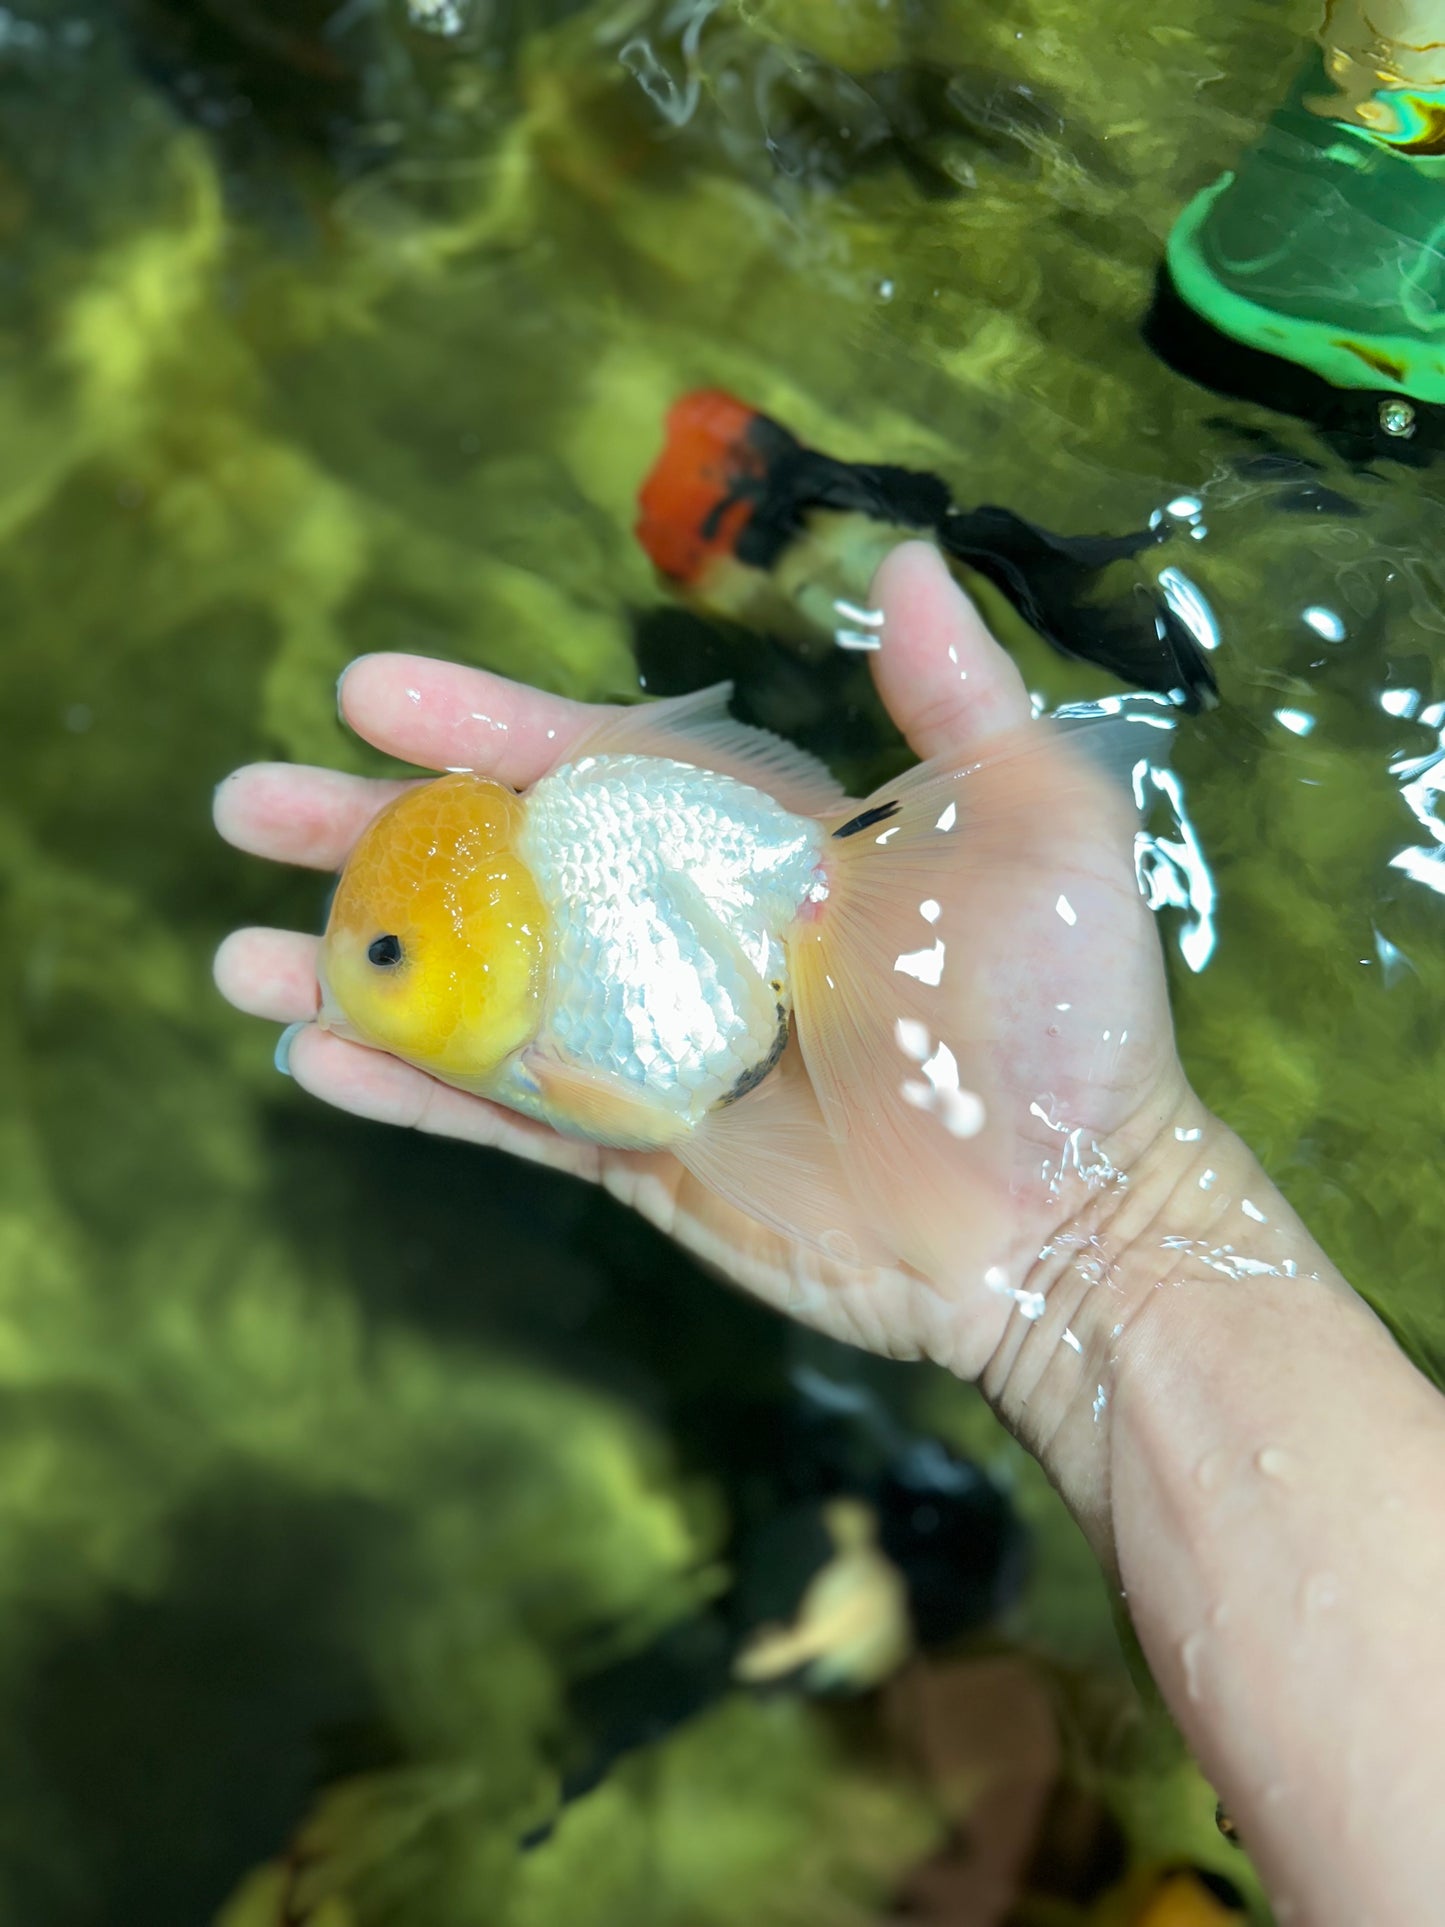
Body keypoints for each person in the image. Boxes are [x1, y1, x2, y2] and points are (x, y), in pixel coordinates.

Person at [213, 542, 1445, 1926]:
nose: (358, 977)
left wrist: (1090, 1235)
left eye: (383, 957)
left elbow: (648, 1090)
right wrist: (1101, 1235)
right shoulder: (546, 910)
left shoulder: (578, 908)